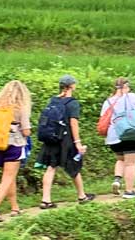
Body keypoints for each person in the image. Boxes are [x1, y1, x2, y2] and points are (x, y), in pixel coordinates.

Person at [38, 74, 95, 209]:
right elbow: (73, 124)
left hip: (52, 139)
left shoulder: (52, 101)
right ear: (72, 86)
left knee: (51, 167)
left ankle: (45, 200)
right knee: (74, 166)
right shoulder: (72, 103)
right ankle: (82, 196)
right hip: (66, 140)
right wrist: (78, 143)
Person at [0, 80, 32, 222]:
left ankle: (15, 208)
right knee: (7, 178)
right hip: (15, 145)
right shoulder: (21, 107)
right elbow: (26, 131)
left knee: (9, 177)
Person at [102, 77, 135, 199]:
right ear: (126, 87)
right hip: (131, 134)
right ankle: (129, 191)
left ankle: (117, 180)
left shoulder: (108, 101)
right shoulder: (132, 97)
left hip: (113, 136)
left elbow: (104, 118)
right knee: (131, 163)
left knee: (121, 159)